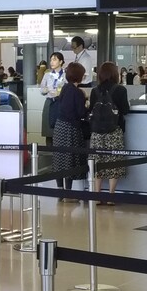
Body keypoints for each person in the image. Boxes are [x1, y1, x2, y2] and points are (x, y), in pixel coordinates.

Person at [88, 62, 131, 205]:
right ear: (115, 74)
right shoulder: (120, 90)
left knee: (97, 162)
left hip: (97, 132)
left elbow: (91, 110)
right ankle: (111, 196)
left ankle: (97, 195)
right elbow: (125, 110)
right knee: (114, 161)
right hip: (114, 130)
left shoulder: (94, 91)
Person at [50, 62, 88, 194]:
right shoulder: (77, 92)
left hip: (60, 126)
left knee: (60, 158)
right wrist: (86, 103)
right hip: (71, 128)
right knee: (69, 159)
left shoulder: (65, 88)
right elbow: (81, 113)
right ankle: (68, 191)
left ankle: (60, 189)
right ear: (79, 76)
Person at [40, 51, 66, 142]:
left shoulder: (65, 74)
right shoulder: (47, 74)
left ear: (61, 62)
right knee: (48, 131)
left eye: (54, 60)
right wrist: (47, 89)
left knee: (61, 130)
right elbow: (41, 90)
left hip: (61, 102)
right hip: (50, 101)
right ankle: (48, 148)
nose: (51, 62)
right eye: (51, 60)